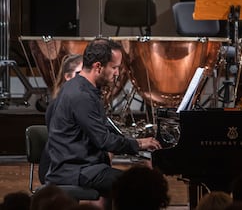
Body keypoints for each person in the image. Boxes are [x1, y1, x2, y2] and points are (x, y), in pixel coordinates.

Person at [45, 38, 161, 210]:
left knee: (132, 181)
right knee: (137, 188)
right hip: (75, 170)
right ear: (98, 67)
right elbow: (103, 140)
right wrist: (139, 144)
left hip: (83, 166)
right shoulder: (81, 96)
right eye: (114, 67)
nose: (117, 73)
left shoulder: (81, 88)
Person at [39, 54, 83, 184]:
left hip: (70, 163)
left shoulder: (79, 101)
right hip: (57, 167)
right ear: (68, 77)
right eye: (79, 74)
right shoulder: (59, 104)